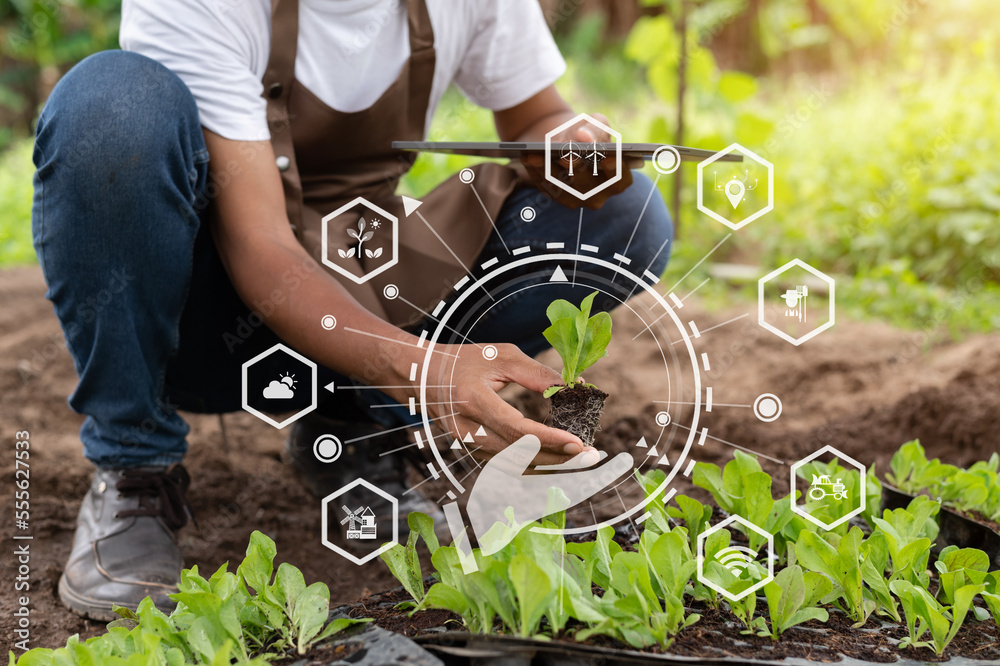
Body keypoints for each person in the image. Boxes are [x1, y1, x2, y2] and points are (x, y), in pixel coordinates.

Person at [31, 0, 673, 620]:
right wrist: (426, 370)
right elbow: (263, 249)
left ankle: (358, 428)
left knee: (621, 214)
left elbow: (537, 116)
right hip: (203, 313)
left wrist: (569, 143)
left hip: (360, 264)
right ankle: (134, 469)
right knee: (110, 105)